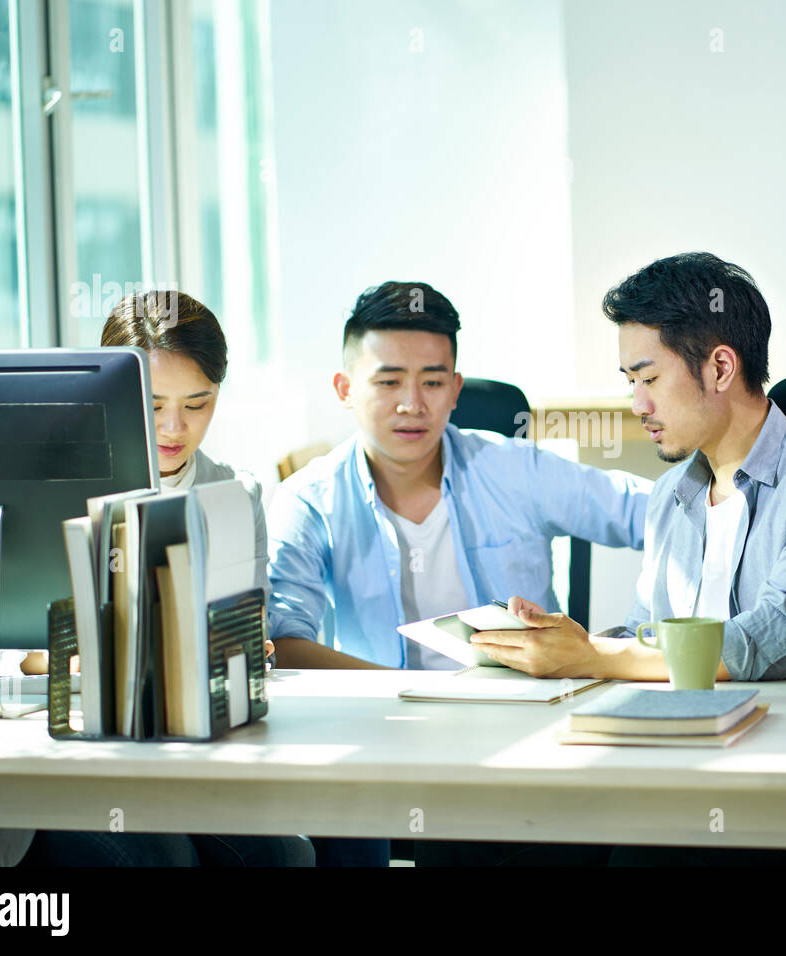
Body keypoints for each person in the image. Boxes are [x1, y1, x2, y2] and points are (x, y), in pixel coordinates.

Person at [264, 280, 651, 864]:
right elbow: (284, 644)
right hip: (383, 736)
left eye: (433, 382)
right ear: (345, 389)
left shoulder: (513, 468)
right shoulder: (308, 500)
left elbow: (656, 515)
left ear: (456, 390)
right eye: (388, 381)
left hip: (524, 734)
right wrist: (414, 696)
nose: (412, 404)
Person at [0, 290, 313, 867]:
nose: (174, 427)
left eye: (197, 403)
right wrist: (68, 657)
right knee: (165, 859)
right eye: (152, 404)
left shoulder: (236, 492)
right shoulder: (46, 482)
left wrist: (240, 650)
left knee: (287, 856)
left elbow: (250, 631)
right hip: (71, 759)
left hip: (190, 755)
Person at [472, 252, 786, 684]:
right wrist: (554, 641)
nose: (637, 405)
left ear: (720, 368)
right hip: (688, 734)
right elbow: (642, 636)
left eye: (648, 379)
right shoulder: (672, 492)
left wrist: (591, 655)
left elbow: (771, 641)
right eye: (630, 382)